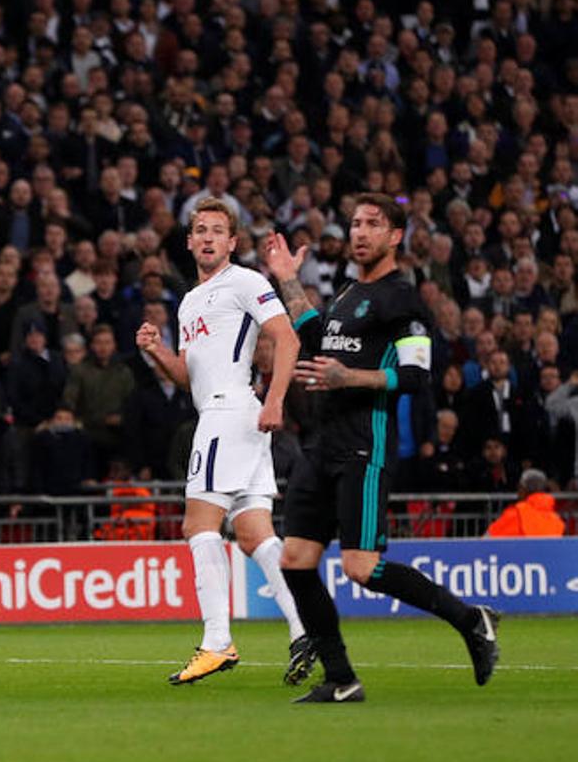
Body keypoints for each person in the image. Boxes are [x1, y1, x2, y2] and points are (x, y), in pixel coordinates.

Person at [263, 193, 500, 703]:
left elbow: (416, 375)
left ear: (396, 236)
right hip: (321, 446)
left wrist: (349, 376)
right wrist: (285, 277)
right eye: (354, 223)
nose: (360, 232)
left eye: (373, 223)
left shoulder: (403, 298)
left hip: (363, 447)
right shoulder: (348, 294)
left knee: (359, 566)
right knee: (296, 561)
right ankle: (341, 678)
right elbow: (314, 333)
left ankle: (470, 618)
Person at [135, 198, 312, 686]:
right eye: (200, 230)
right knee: (256, 534)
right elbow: (185, 376)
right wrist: (156, 351)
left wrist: (276, 399)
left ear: (232, 242)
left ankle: (217, 641)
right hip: (219, 410)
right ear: (189, 241)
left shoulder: (247, 281)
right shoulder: (190, 301)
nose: (208, 237)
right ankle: (305, 626)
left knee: (198, 527)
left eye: (218, 230)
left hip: (230, 410)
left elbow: (288, 338)